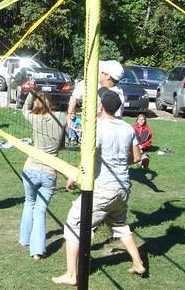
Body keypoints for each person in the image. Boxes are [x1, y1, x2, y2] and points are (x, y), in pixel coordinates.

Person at [52, 89, 146, 285]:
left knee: (73, 223)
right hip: (123, 188)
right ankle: (138, 263)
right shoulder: (128, 128)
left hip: (104, 189)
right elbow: (136, 157)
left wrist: (73, 175)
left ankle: (71, 275)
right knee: (119, 224)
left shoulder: (97, 128)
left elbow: (88, 157)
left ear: (101, 107)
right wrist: (117, 162)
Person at [19, 82, 66, 260]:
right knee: (40, 209)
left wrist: (31, 91)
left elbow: (24, 109)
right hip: (49, 171)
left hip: (30, 168)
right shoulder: (61, 117)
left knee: (29, 203)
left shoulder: (34, 118)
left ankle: (24, 240)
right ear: (51, 103)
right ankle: (37, 250)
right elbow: (62, 143)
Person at [67, 60, 125, 129]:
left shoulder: (117, 94)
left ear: (108, 76)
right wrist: (69, 115)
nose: (98, 72)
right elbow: (75, 97)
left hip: (105, 131)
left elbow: (115, 118)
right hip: (88, 130)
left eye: (101, 72)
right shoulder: (90, 84)